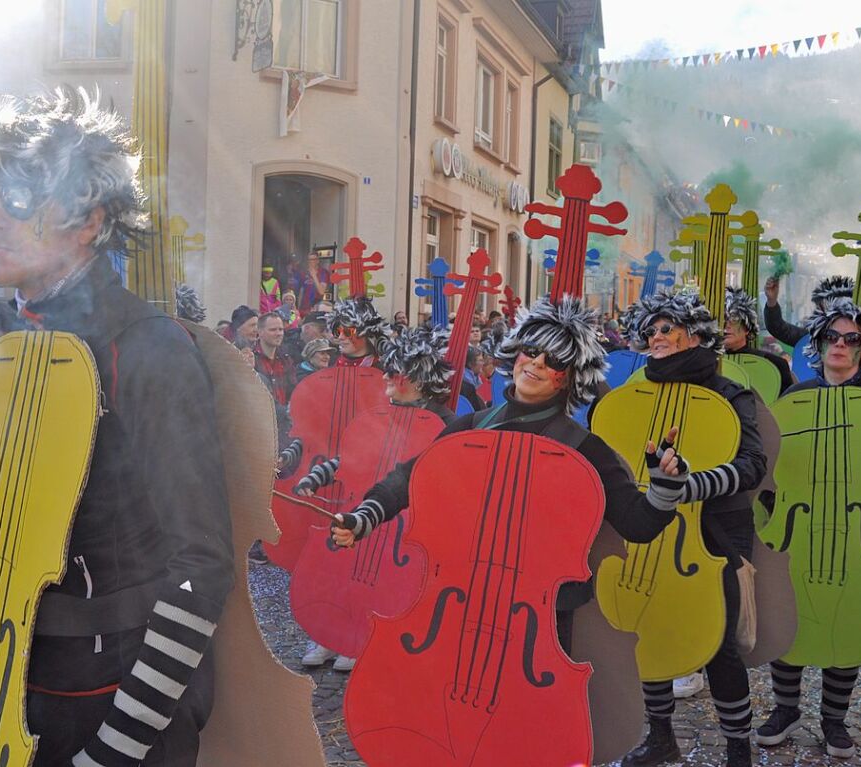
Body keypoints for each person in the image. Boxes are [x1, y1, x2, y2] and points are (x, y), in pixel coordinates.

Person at [0, 87, 235, 767]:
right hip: (9, 670)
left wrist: (114, 749)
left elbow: (202, 569)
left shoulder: (148, 349)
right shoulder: (11, 338)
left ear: (87, 221)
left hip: (117, 698)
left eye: (16, 199)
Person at [331, 296, 697, 752]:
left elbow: (640, 524)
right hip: (459, 599)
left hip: (538, 618)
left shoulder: (586, 450)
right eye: (531, 351)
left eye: (555, 360)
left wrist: (664, 483)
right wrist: (364, 517)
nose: (537, 364)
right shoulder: (469, 428)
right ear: (514, 354)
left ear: (571, 376)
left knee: (527, 732)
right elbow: (407, 479)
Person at [616, 289, 767, 767]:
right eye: (652, 330)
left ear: (695, 334)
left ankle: (737, 748)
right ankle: (661, 736)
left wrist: (691, 485)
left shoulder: (729, 393)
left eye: (666, 328)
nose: (655, 337)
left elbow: (752, 466)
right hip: (652, 524)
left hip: (714, 531)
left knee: (718, 641)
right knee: (648, 626)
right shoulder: (638, 390)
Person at [755, 297, 861, 760]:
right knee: (789, 615)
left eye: (851, 339)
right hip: (797, 527)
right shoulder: (794, 399)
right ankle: (785, 710)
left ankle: (834, 719)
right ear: (817, 345)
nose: (840, 345)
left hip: (860, 530)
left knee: (849, 621)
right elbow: (771, 474)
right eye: (832, 338)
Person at [295, 325, 457, 671]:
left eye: (394, 376)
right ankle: (331, 635)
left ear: (417, 379)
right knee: (342, 575)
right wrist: (317, 476)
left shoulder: (444, 421)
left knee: (384, 581)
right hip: (366, 507)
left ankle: (362, 637)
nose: (386, 382)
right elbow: (349, 456)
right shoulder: (379, 414)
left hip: (403, 523)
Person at [723, 287, 794, 394]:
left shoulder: (774, 364)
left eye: (734, 320)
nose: (726, 326)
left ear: (747, 327)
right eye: (722, 319)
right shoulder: (708, 363)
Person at [327, 297, 390, 368]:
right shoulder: (328, 364)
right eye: (337, 332)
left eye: (348, 332)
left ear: (367, 333)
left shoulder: (385, 371)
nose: (340, 337)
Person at [253, 311, 298, 409]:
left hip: (283, 420)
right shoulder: (251, 358)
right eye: (273, 330)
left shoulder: (286, 359)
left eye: (281, 329)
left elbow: (294, 392)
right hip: (259, 417)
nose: (279, 333)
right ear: (260, 332)